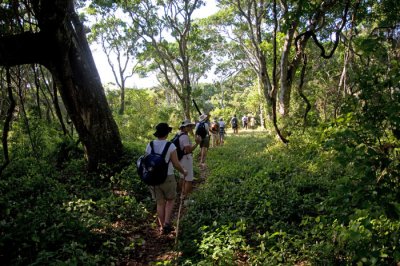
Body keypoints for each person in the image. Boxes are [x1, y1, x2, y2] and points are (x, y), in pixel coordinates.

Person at [145, 123, 187, 235]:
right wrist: (184, 171)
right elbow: (176, 164)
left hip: (153, 178)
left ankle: (162, 226)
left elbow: (146, 161)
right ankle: (167, 223)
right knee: (170, 199)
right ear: (167, 133)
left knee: (160, 203)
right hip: (168, 177)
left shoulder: (150, 145)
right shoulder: (171, 146)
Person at [177, 119, 201, 197]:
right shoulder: (184, 137)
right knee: (189, 179)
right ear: (183, 127)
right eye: (188, 126)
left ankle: (182, 193)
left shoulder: (179, 134)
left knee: (182, 176)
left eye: (190, 126)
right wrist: (197, 143)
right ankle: (187, 197)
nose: (190, 127)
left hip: (181, 159)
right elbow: (188, 150)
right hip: (186, 158)